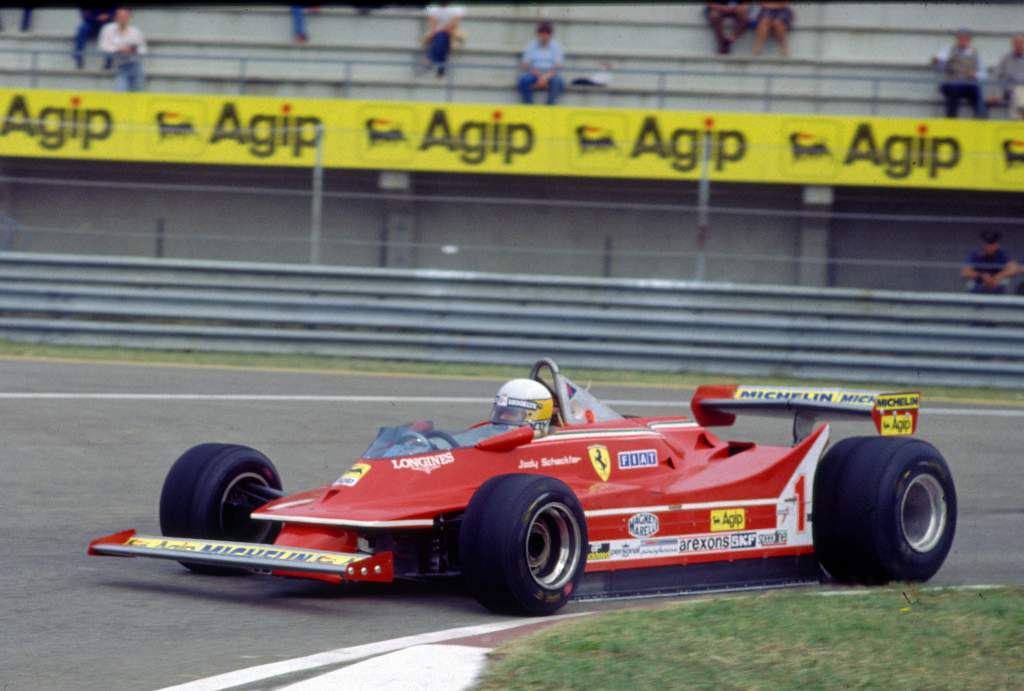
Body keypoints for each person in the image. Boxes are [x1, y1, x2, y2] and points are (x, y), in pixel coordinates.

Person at [932, 28, 985, 119]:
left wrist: (975, 75)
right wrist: (937, 62)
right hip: (952, 82)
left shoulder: (975, 53)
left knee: (977, 91)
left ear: (969, 40)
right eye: (960, 38)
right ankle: (951, 120)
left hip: (968, 83)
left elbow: (983, 72)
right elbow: (940, 63)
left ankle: (981, 119)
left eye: (965, 39)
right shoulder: (948, 50)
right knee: (954, 90)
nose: (962, 41)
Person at [99, 8, 147, 92]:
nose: (122, 19)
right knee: (120, 93)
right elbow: (103, 47)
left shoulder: (135, 32)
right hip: (120, 66)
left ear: (129, 17)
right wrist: (119, 49)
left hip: (136, 66)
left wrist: (133, 50)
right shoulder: (107, 29)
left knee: (139, 94)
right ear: (115, 17)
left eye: (125, 16)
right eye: (120, 16)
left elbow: (143, 49)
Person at [518, 21, 565, 105]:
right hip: (534, 74)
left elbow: (558, 65)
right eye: (542, 33)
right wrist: (540, 76)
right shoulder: (531, 46)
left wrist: (545, 77)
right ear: (538, 34)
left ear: (550, 35)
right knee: (523, 80)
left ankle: (550, 107)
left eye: (546, 34)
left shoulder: (556, 47)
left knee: (557, 81)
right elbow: (525, 64)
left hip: (551, 74)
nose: (544, 36)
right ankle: (528, 106)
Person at [422, 3, 465, 77]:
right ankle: (441, 70)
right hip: (437, 34)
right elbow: (433, 25)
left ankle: (430, 58)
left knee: (441, 36)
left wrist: (441, 29)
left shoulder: (457, 8)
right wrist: (439, 30)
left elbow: (454, 24)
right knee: (441, 37)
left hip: (452, 33)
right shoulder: (432, 8)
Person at [996, 33, 1024, 119]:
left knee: (1018, 92)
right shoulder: (1005, 58)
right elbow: (998, 75)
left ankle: (1016, 121)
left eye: (1020, 43)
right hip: (1009, 89)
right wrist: (996, 93)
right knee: (1016, 91)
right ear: (1012, 44)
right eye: (1016, 43)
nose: (1018, 45)